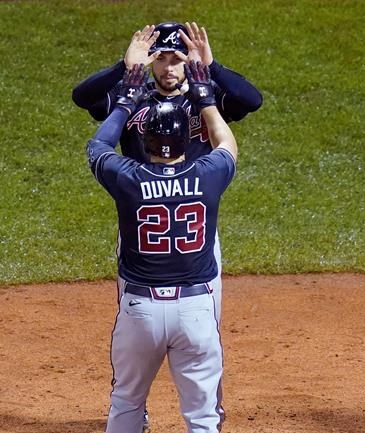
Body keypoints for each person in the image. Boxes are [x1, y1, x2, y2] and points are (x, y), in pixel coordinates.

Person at [74, 21, 259, 431]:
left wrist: (210, 68)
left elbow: (251, 99)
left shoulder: (140, 102)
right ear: (152, 61)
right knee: (200, 330)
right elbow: (82, 96)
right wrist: (128, 69)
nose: (171, 66)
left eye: (178, 58)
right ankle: (203, 409)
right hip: (186, 223)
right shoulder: (185, 101)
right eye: (162, 58)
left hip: (144, 215)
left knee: (132, 353)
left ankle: (138, 405)